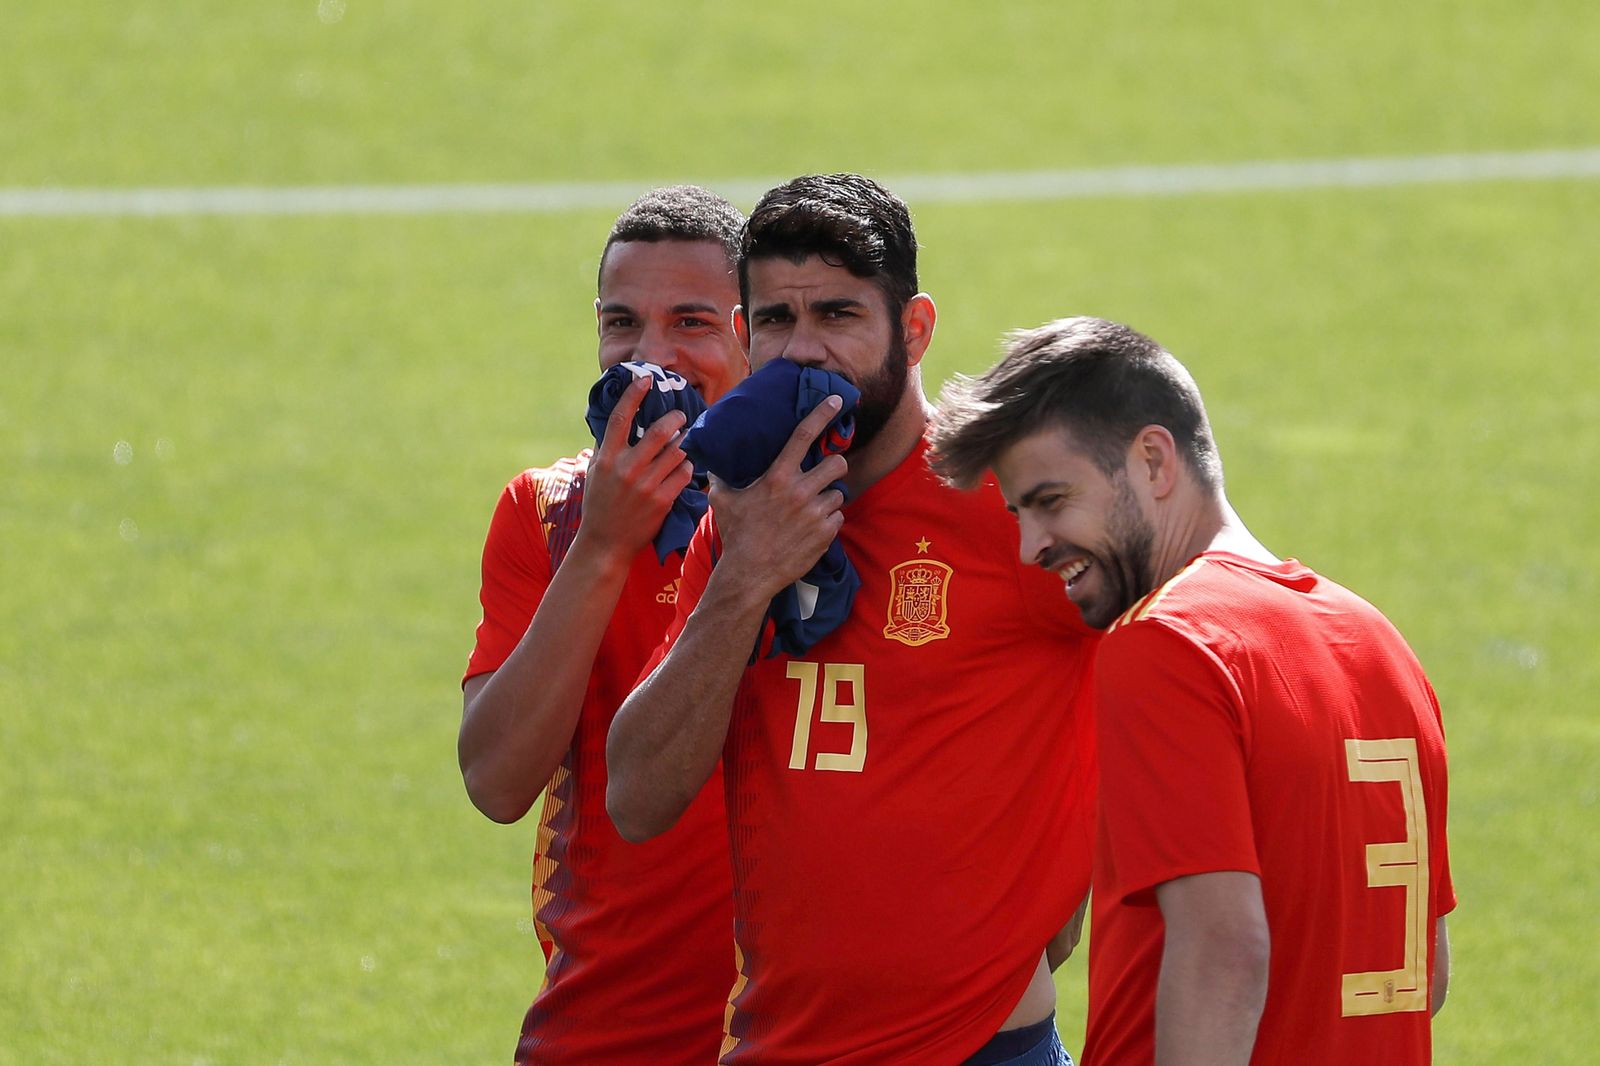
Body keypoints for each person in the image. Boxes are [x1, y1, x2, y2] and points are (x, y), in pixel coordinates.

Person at [605, 174, 1099, 1066]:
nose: (803, 352)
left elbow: (1168, 673)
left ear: (913, 331)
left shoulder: (1012, 500)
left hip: (981, 1049)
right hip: (780, 1044)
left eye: (838, 316)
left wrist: (1061, 876)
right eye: (775, 322)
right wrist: (744, 577)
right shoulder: (743, 511)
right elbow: (638, 798)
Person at [929, 316, 1455, 1065]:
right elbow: (1425, 974)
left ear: (1152, 460)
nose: (1031, 546)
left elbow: (1225, 951)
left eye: (1051, 500)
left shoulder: (1167, 645)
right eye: (1020, 513)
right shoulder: (1380, 643)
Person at [458, 186, 747, 1064]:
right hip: (607, 1034)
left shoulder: (829, 510)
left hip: (814, 1035)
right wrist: (603, 545)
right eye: (623, 324)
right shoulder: (545, 513)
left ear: (755, 334)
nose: (651, 355)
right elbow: (498, 783)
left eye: (690, 323)